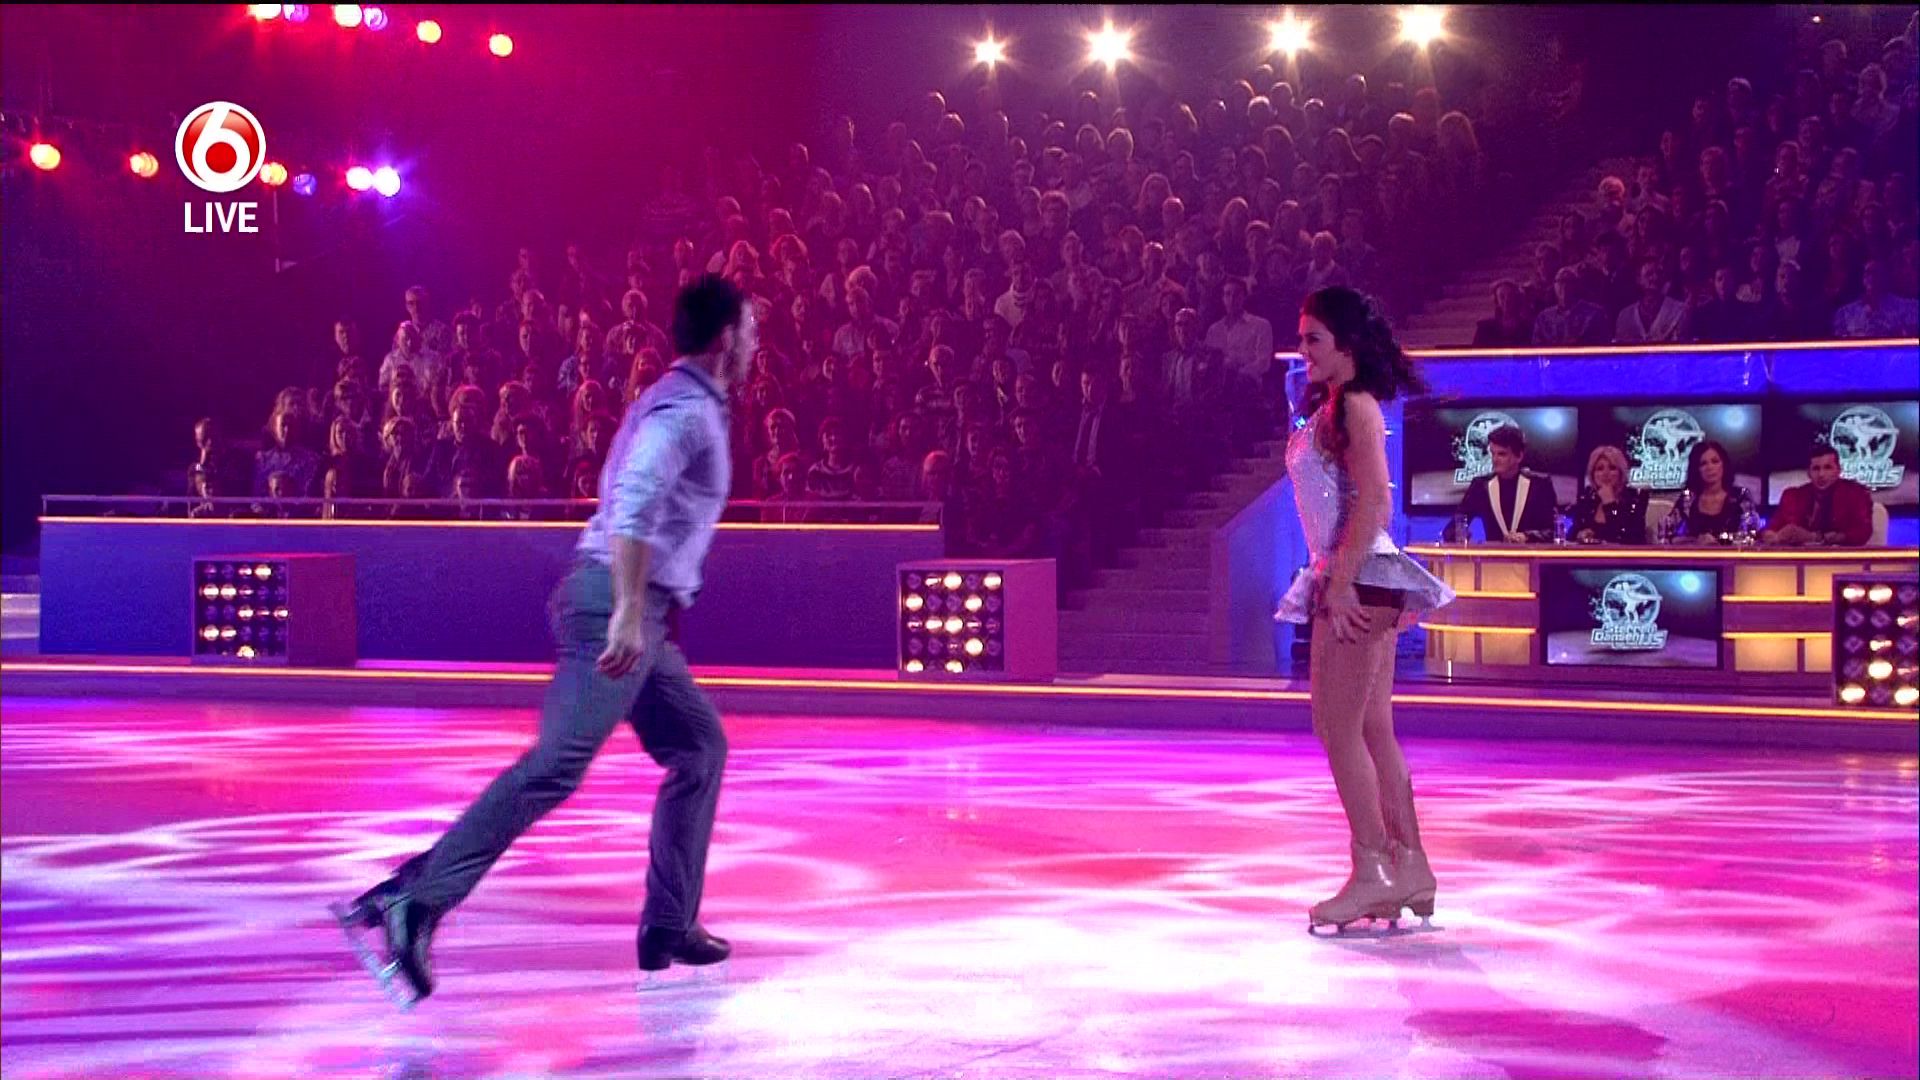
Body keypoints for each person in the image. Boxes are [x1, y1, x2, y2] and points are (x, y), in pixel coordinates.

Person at [332, 277, 752, 1005]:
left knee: (698, 747)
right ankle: (414, 902)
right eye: (749, 331)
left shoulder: (679, 400)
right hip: (616, 604)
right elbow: (634, 499)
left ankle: (669, 923)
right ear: (724, 338)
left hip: (640, 610)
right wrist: (628, 608)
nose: (754, 344)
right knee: (555, 765)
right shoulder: (683, 411)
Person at [1273, 286, 1453, 933]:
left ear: (1345, 343)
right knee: (1373, 729)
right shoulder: (1340, 403)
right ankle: (1411, 866)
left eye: (1313, 338)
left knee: (1337, 728)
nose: (1304, 349)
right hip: (1361, 575)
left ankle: (1373, 871)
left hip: (1356, 577)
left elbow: (1375, 499)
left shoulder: (1352, 403)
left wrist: (1341, 583)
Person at [1456, 425, 1558, 543]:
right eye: (1492, 453)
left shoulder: (1540, 485)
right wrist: (1460, 534)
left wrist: (1527, 537)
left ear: (1519, 456)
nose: (1495, 459)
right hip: (1494, 554)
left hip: (1531, 553)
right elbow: (1456, 523)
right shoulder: (1480, 486)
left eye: (1501, 454)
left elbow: (1554, 531)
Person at [1763, 443, 1875, 547]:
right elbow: (1771, 528)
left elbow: (1863, 532)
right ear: (1809, 473)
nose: (1821, 474)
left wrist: (1817, 537)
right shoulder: (1793, 496)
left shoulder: (1856, 494)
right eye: (1816, 469)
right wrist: (1771, 536)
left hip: (1841, 558)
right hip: (1799, 558)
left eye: (1828, 468)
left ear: (1838, 470)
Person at [1661, 440, 1758, 544]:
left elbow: (1750, 536)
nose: (1710, 467)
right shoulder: (1688, 499)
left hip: (1732, 554)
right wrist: (1695, 541)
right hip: (1696, 554)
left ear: (1724, 465)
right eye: (1703, 464)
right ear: (1696, 469)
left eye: (1715, 461)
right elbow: (1666, 536)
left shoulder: (1740, 496)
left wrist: (1717, 541)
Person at [1569, 445, 1650, 544]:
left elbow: (1630, 538)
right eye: (1599, 469)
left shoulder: (1634, 498)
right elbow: (1571, 535)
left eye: (1612, 468)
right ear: (1593, 474)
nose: (1605, 473)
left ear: (1621, 473)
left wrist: (1610, 504)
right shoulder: (1588, 497)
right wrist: (1581, 534)